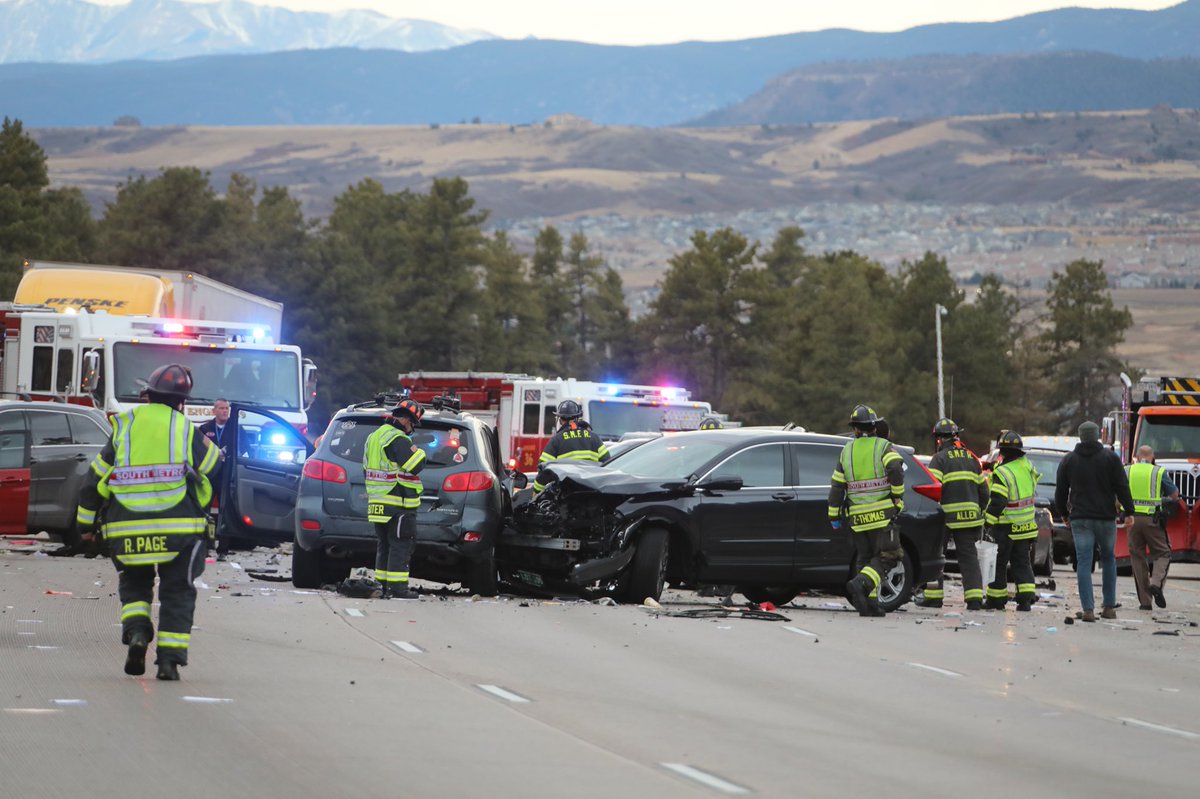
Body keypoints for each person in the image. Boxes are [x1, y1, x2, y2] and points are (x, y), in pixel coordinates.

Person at [76, 364, 221, 680]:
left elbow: (95, 478)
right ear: (181, 401)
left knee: (135, 582)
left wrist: (85, 526)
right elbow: (214, 466)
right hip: (178, 531)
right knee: (177, 591)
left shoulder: (124, 426)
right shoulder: (184, 428)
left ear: (148, 395)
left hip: (126, 528)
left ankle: (139, 632)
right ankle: (168, 661)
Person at [828, 404, 905, 617]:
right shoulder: (883, 446)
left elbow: (837, 486)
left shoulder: (847, 451)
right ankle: (861, 583)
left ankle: (869, 605)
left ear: (854, 429)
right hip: (881, 516)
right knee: (890, 555)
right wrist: (897, 496)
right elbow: (896, 469)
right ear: (874, 426)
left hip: (858, 518)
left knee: (865, 558)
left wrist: (833, 514)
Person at [1054, 421, 1136, 622]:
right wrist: (1129, 511)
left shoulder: (1069, 460)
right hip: (1106, 518)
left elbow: (1060, 492)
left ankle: (1088, 610)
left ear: (1081, 436)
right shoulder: (1110, 458)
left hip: (1080, 518)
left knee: (1083, 561)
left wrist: (1064, 514)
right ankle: (1109, 607)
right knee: (1108, 559)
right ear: (1097, 435)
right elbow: (1121, 486)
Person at [915, 418, 988, 611]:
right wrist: (979, 512)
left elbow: (933, 490)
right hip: (970, 518)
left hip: (946, 518)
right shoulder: (972, 458)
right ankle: (974, 599)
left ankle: (934, 597)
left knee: (936, 556)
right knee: (969, 558)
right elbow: (984, 492)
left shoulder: (939, 459)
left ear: (939, 439)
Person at [363, 399, 427, 600]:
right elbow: (414, 465)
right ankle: (398, 589)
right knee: (401, 544)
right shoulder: (397, 438)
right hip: (398, 503)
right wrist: (420, 452)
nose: (411, 429)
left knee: (385, 545)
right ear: (407, 420)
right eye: (412, 424)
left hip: (378, 501)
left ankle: (382, 586)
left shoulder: (374, 437)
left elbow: (366, 468)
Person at [981, 430, 1040, 612]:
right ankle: (1026, 600)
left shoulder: (1003, 473)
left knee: (998, 564)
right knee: (1022, 563)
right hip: (1026, 526)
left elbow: (998, 500)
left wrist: (987, 523)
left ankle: (996, 600)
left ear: (1003, 452)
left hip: (1006, 527)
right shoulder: (1027, 466)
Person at [1124, 445, 1180, 610]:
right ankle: (1156, 583)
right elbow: (1174, 495)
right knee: (1163, 552)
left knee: (1137, 558)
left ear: (1137, 456)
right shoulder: (1158, 472)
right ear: (1152, 457)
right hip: (1152, 520)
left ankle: (1145, 602)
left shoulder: (1127, 470)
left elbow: (1119, 494)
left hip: (1132, 521)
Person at [532, 400, 610, 494]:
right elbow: (607, 463)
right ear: (577, 417)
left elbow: (544, 470)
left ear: (560, 419)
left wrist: (536, 491)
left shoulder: (557, 439)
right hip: (591, 492)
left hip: (566, 494)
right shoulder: (594, 437)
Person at [198, 398, 236, 560]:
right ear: (214, 411)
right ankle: (205, 547)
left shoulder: (235, 429)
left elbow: (246, 449)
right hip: (209, 475)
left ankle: (223, 549)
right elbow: (197, 449)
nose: (224, 411)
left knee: (224, 512)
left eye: (226, 408)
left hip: (226, 476)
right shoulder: (204, 429)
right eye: (221, 408)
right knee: (203, 511)